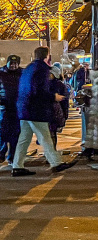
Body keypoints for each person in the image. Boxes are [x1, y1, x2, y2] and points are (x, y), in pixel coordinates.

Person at [11, 47, 76, 176]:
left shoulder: (28, 68)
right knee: (45, 137)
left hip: (24, 108)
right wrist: (53, 96)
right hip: (36, 109)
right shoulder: (42, 69)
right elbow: (39, 90)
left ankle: (17, 166)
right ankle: (56, 163)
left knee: (24, 139)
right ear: (47, 56)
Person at [0, 55, 22, 164]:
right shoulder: (1, 73)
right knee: (2, 132)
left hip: (17, 108)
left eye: (15, 63)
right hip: (4, 107)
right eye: (11, 63)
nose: (13, 65)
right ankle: (1, 153)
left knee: (16, 133)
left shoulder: (21, 73)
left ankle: (12, 156)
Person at [48, 64, 69, 149]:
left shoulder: (59, 85)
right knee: (50, 133)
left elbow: (65, 101)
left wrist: (65, 114)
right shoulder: (45, 84)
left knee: (51, 133)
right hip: (50, 113)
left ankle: (51, 151)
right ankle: (51, 151)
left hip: (54, 113)